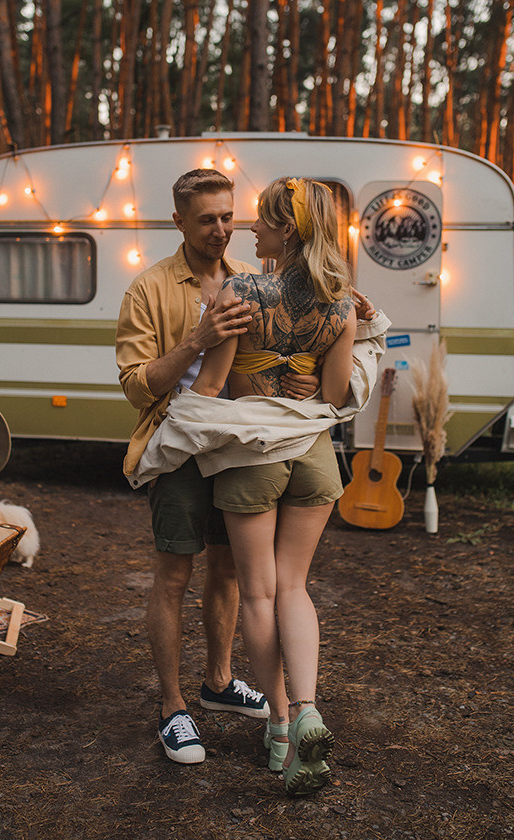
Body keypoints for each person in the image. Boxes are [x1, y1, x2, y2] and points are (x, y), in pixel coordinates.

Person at [116, 169, 332, 766]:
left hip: (241, 450)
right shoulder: (149, 290)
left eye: (228, 216)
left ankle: (217, 683)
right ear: (179, 221)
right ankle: (172, 706)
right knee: (173, 576)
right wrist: (196, 339)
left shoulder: (255, 280)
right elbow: (137, 388)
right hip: (181, 444)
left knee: (232, 574)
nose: (221, 229)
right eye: (206, 219)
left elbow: (287, 350)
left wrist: (306, 368)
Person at [186, 177, 358, 796]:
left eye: (260, 222)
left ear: (287, 231)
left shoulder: (243, 290)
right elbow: (335, 398)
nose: (249, 231)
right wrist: (305, 379)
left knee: (257, 594)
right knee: (295, 587)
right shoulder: (341, 304)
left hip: (253, 452)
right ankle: (310, 706)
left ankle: (281, 728)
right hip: (312, 455)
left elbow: (211, 387)